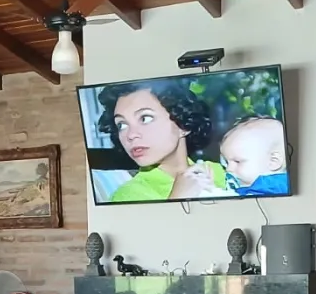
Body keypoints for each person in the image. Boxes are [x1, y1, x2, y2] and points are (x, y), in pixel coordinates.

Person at [93, 80, 229, 203]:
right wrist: (176, 199)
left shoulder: (220, 173)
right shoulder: (128, 196)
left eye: (145, 118)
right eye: (122, 125)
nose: (131, 135)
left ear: (183, 125)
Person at [219, 117, 289, 196]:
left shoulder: (270, 188)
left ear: (273, 161)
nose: (228, 169)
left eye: (238, 161)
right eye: (226, 163)